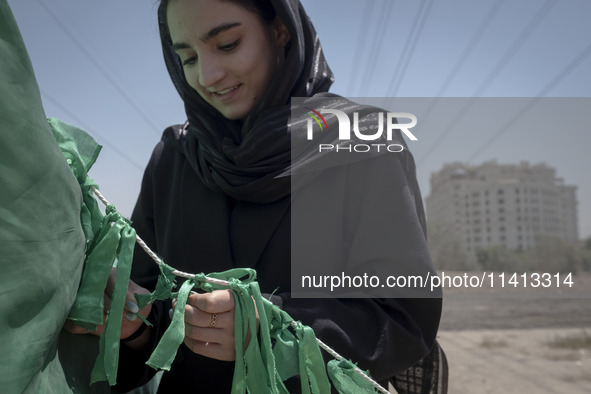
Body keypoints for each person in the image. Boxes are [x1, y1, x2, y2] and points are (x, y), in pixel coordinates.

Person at [69, 0, 445, 392]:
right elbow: (156, 314)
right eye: (188, 58)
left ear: (280, 29)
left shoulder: (362, 143)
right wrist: (133, 325)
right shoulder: (175, 158)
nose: (207, 75)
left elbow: (401, 321)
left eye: (228, 44)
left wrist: (268, 329)